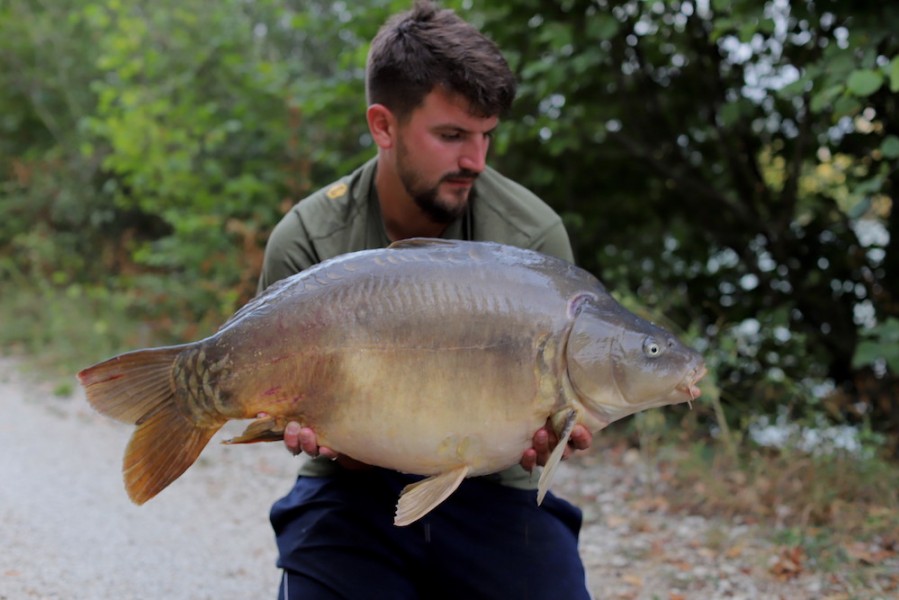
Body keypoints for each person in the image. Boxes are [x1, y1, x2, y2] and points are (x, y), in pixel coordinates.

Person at [258, 2, 593, 598]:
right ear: (383, 126)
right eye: (452, 136)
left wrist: (550, 434)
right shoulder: (310, 238)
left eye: (487, 136)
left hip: (492, 495)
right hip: (350, 491)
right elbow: (290, 419)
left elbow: (550, 426)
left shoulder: (533, 238)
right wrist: (309, 426)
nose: (476, 161)